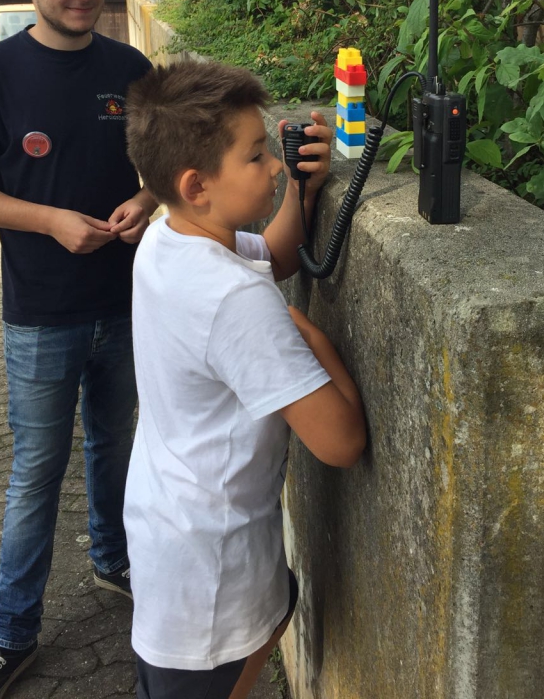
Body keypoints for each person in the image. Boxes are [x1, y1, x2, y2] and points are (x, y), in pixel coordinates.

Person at [0, 0, 158, 699]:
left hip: (125, 305)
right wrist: (50, 220)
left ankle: (114, 563)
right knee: (36, 474)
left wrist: (147, 198)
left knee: (116, 448)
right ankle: (11, 633)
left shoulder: (130, 68)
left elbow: (166, 166)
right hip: (38, 315)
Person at [123, 60, 366, 699]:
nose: (275, 166)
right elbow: (341, 442)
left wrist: (303, 194)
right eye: (257, 156)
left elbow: (274, 257)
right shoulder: (235, 300)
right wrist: (306, 333)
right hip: (211, 580)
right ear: (197, 185)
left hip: (174, 530)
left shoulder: (167, 239)